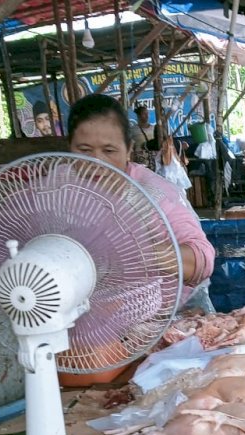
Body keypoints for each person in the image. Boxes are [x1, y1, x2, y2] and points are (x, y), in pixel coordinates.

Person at [67, 94, 215, 304]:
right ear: (69, 148)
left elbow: (202, 259)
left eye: (109, 150)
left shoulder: (155, 194)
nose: (96, 161)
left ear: (128, 150)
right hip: (82, 317)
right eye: (84, 150)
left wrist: (137, 252)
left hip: (161, 316)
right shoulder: (52, 186)